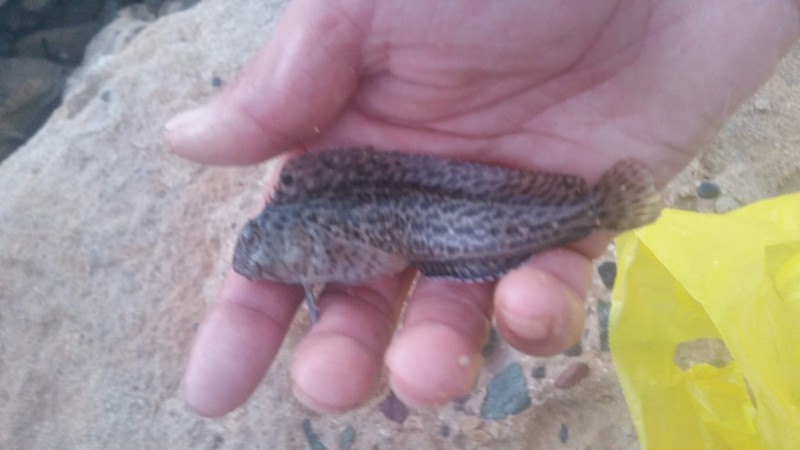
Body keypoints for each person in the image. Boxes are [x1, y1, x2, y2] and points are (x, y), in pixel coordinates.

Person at [165, 0, 800, 416]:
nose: (256, 260)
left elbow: (379, 247)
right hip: (438, 217)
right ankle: (591, 210)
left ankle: (596, 208)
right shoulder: (308, 226)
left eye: (265, 251)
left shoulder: (315, 235)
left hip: (446, 217)